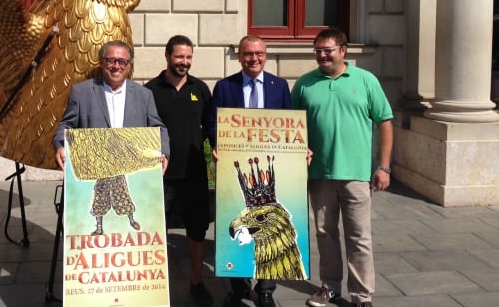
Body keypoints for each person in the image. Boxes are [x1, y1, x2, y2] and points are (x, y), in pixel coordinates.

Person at [291, 28, 393, 307]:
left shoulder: (366, 80)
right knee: (325, 234)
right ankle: (330, 287)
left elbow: (384, 122)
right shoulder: (304, 84)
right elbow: (291, 125)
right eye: (317, 50)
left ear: (343, 50)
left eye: (327, 50)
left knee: (359, 236)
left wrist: (383, 167)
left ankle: (362, 296)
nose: (322, 55)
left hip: (356, 174)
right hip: (319, 174)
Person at [208, 35, 292, 307]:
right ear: (239, 56)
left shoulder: (279, 86)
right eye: (247, 54)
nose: (253, 59)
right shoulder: (224, 86)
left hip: (269, 168)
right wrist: (216, 145)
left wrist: (300, 149)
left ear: (265, 55)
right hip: (235, 166)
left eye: (258, 54)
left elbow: (291, 124)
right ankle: (239, 286)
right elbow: (212, 123)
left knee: (268, 228)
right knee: (235, 220)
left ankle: (266, 290)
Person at [53, 40, 170, 235]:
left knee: (123, 195)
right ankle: (98, 228)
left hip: (125, 167)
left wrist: (163, 151)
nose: (116, 66)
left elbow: (158, 127)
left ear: (129, 65)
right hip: (98, 165)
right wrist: (60, 145)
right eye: (111, 60)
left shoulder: (144, 95)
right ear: (101, 62)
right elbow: (66, 125)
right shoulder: (82, 92)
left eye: (122, 61)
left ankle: (132, 221)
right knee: (99, 197)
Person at [145, 35, 213, 307]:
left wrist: (218, 144)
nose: (184, 62)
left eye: (188, 57)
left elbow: (211, 124)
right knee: (154, 231)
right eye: (179, 57)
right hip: (160, 176)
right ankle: (153, 285)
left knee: (197, 230)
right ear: (167, 55)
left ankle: (197, 281)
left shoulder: (201, 88)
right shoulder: (150, 90)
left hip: (194, 173)